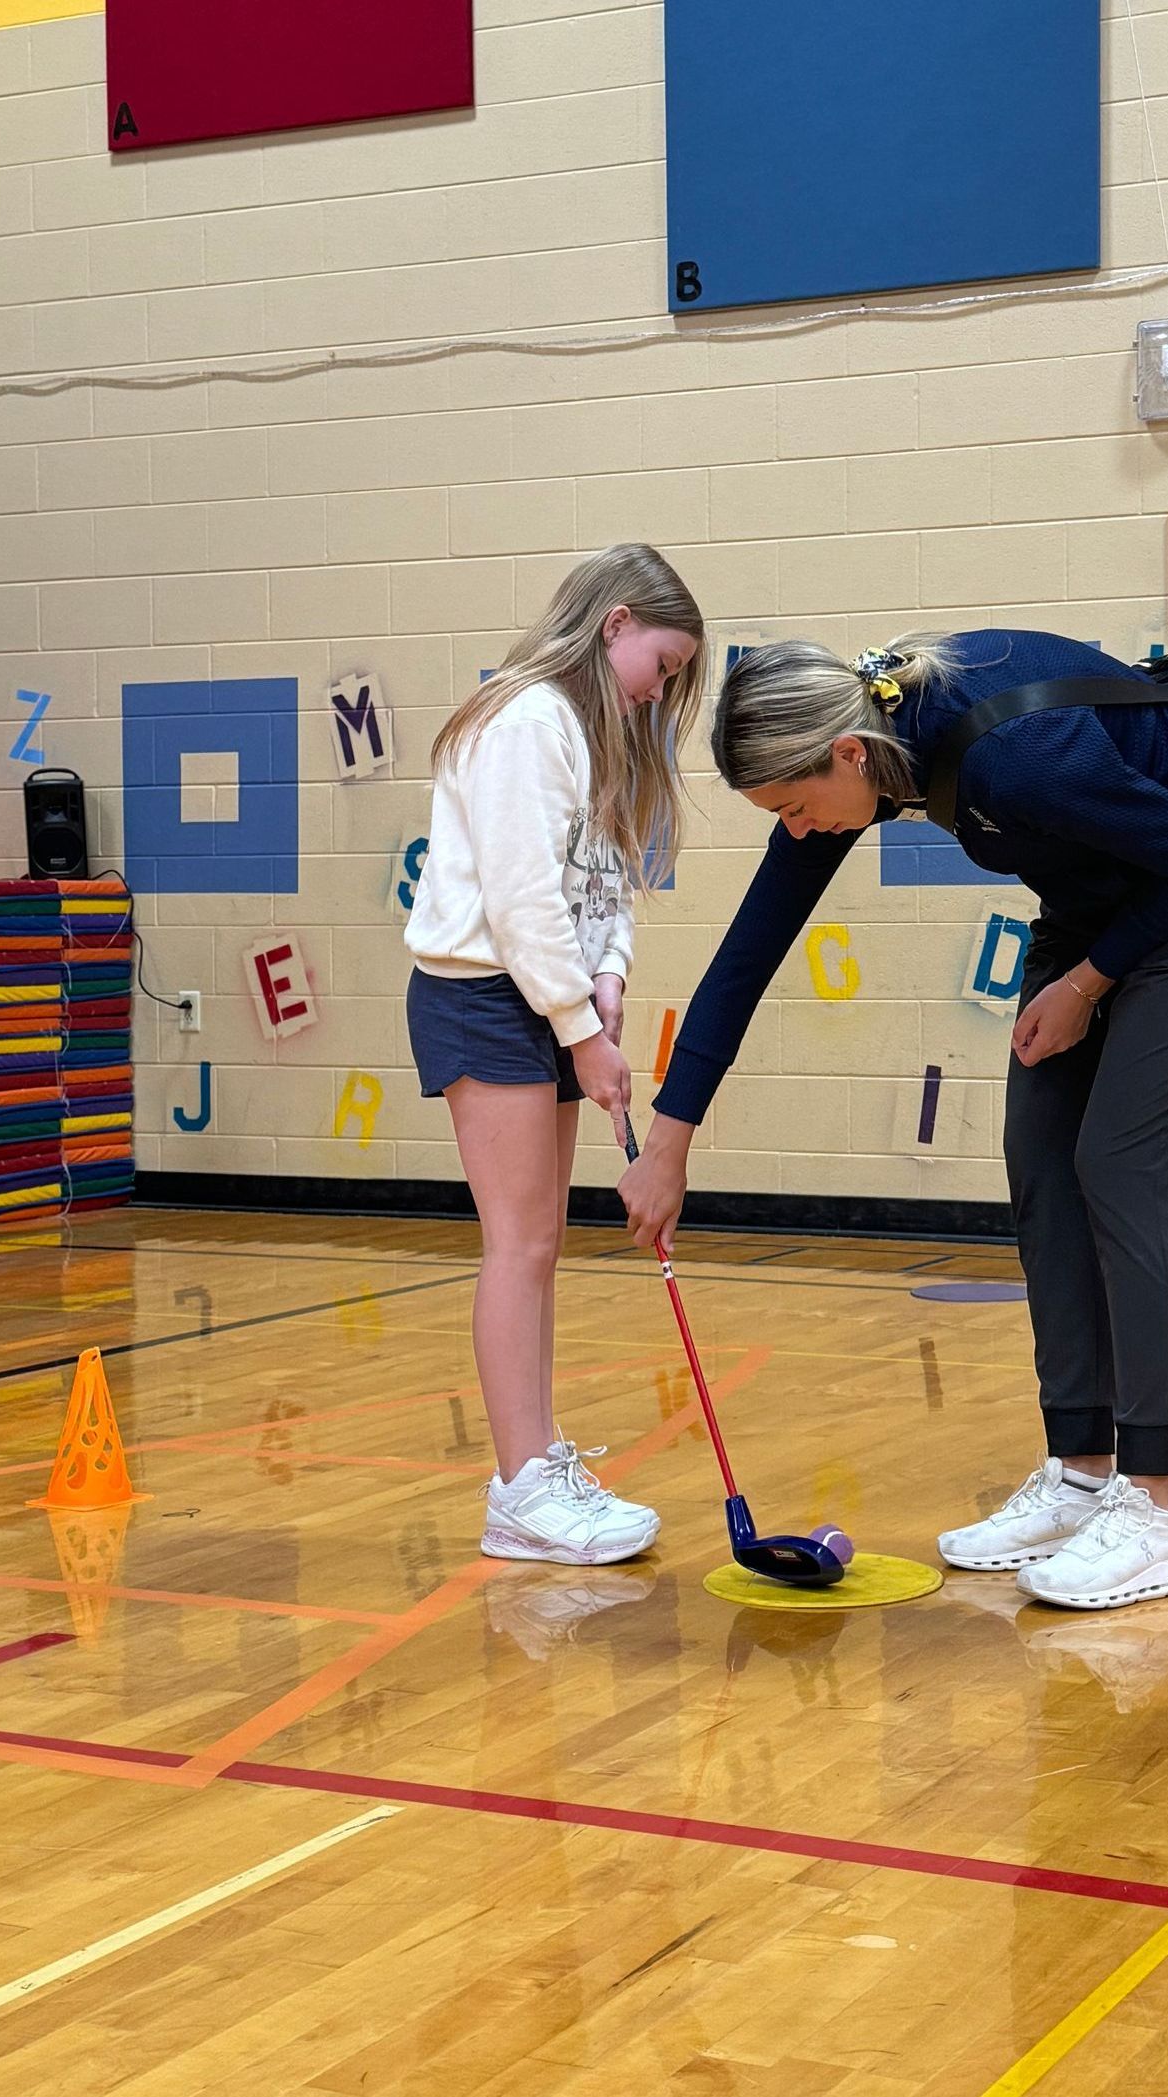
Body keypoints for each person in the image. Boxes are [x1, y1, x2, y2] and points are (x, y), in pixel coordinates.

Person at [619, 628, 1168, 1610]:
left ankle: (1152, 1513)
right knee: (1044, 1161)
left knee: (1122, 1166)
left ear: (847, 753)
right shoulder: (863, 748)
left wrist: (1088, 984)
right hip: (1099, 893)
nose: (797, 831)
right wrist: (666, 1144)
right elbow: (746, 955)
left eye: (796, 808)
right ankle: (1079, 1476)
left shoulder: (1009, 755)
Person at [406, 544, 705, 1565]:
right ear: (615, 623)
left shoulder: (593, 731)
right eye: (662, 664)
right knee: (520, 1245)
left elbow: (603, 880)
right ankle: (520, 1486)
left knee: (538, 1245)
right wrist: (579, 1029)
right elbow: (520, 897)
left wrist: (607, 978)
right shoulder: (526, 719)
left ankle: (534, 1470)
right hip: (483, 996)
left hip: (547, 997)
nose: (660, 688)